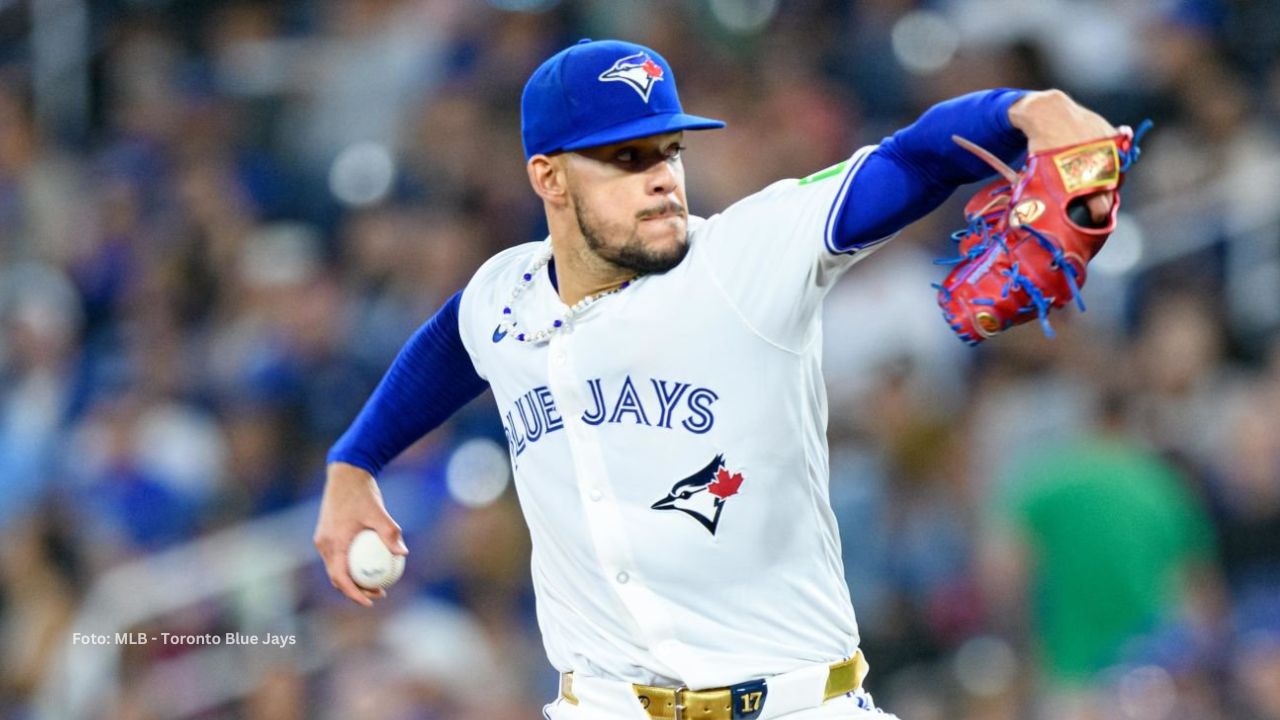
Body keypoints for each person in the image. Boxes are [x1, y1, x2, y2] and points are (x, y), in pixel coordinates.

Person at [314, 38, 1123, 720]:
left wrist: (1032, 111)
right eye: (626, 158)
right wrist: (355, 463)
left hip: (795, 701)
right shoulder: (507, 290)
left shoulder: (746, 258)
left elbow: (910, 160)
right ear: (548, 178)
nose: (663, 176)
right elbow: (451, 344)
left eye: (669, 150)